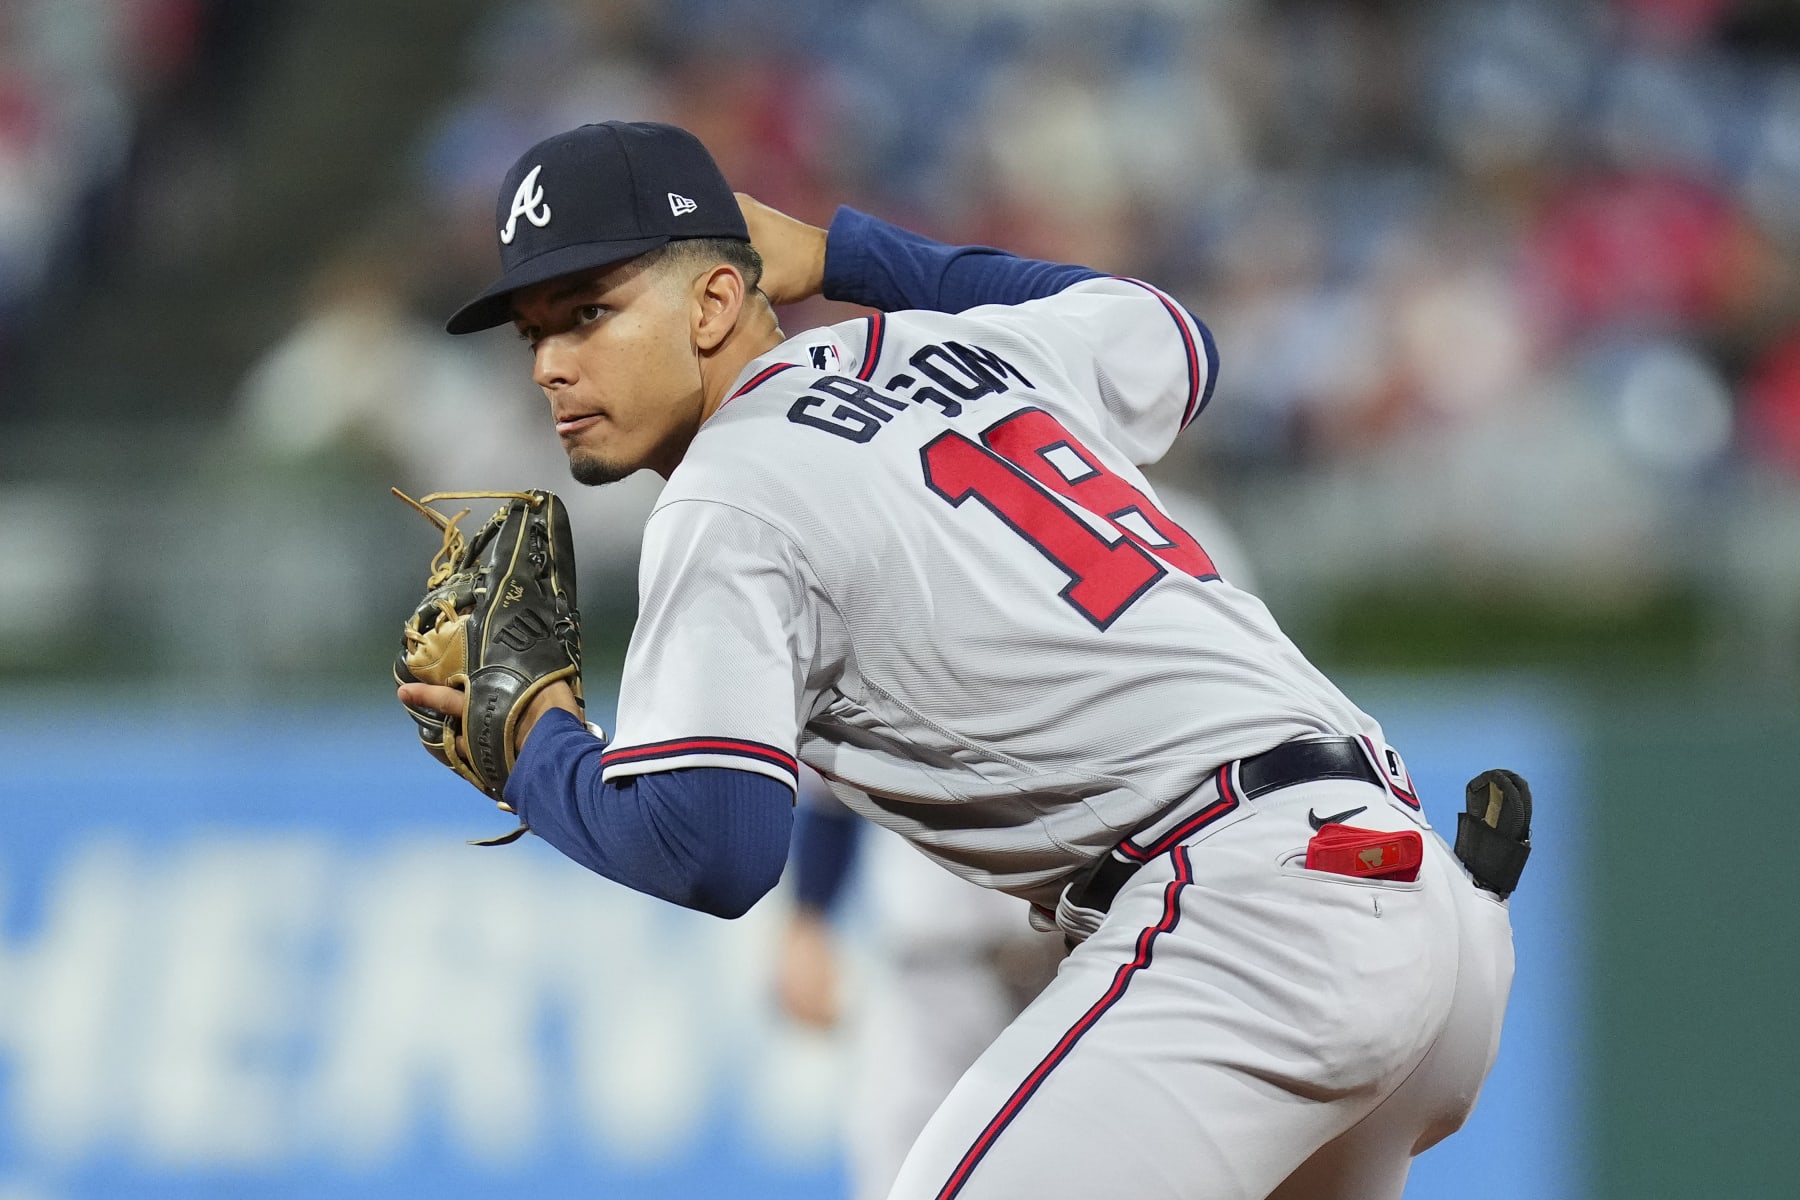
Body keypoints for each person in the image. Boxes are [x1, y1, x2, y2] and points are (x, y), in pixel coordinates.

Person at [395, 120, 1515, 1200]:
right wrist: (850, 254)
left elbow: (713, 848)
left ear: (716, 300)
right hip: (1421, 907)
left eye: (590, 311)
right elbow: (1174, 337)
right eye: (533, 330)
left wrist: (531, 742)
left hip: (1251, 924)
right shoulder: (949, 341)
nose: (551, 363)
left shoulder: (729, 496)